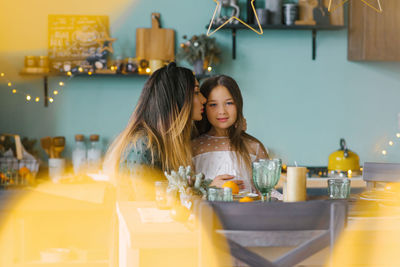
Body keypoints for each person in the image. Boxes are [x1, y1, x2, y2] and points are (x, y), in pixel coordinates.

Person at [104, 62, 206, 200]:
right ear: (175, 99)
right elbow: (148, 208)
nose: (204, 100)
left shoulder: (173, 142)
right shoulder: (143, 146)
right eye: (196, 92)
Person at [192, 75, 282, 199]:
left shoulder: (253, 147)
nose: (222, 111)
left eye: (229, 103)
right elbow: (186, 195)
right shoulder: (194, 147)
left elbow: (267, 192)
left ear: (238, 104)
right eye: (213, 105)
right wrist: (210, 188)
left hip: (246, 215)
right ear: (204, 108)